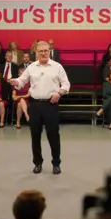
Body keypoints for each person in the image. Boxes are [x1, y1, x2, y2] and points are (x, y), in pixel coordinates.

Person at [10, 41, 70, 175]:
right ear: (36, 52)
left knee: (53, 136)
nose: (43, 53)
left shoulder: (57, 67)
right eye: (41, 51)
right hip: (35, 105)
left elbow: (66, 84)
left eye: (46, 50)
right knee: (35, 136)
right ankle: (37, 163)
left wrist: (59, 93)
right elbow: (22, 81)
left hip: (51, 105)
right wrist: (16, 82)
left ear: (49, 51)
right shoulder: (31, 67)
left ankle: (56, 163)